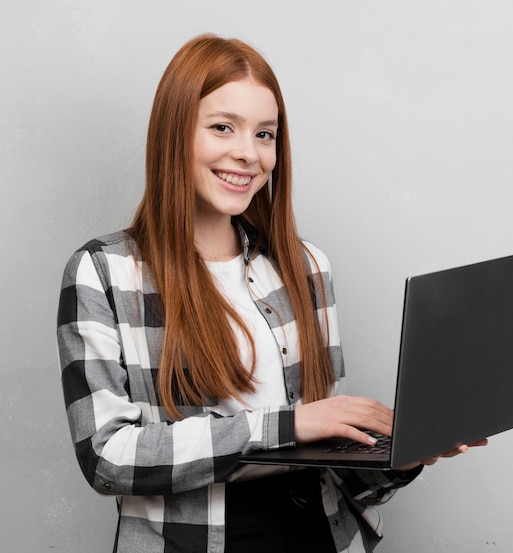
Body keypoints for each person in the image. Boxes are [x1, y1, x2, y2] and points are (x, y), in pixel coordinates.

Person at [57, 33, 486, 553]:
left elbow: (328, 457)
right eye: (222, 128)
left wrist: (401, 457)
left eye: (265, 134)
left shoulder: (305, 266)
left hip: (317, 531)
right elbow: (107, 457)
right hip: (199, 538)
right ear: (174, 134)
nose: (248, 154)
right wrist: (285, 425)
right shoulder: (104, 272)